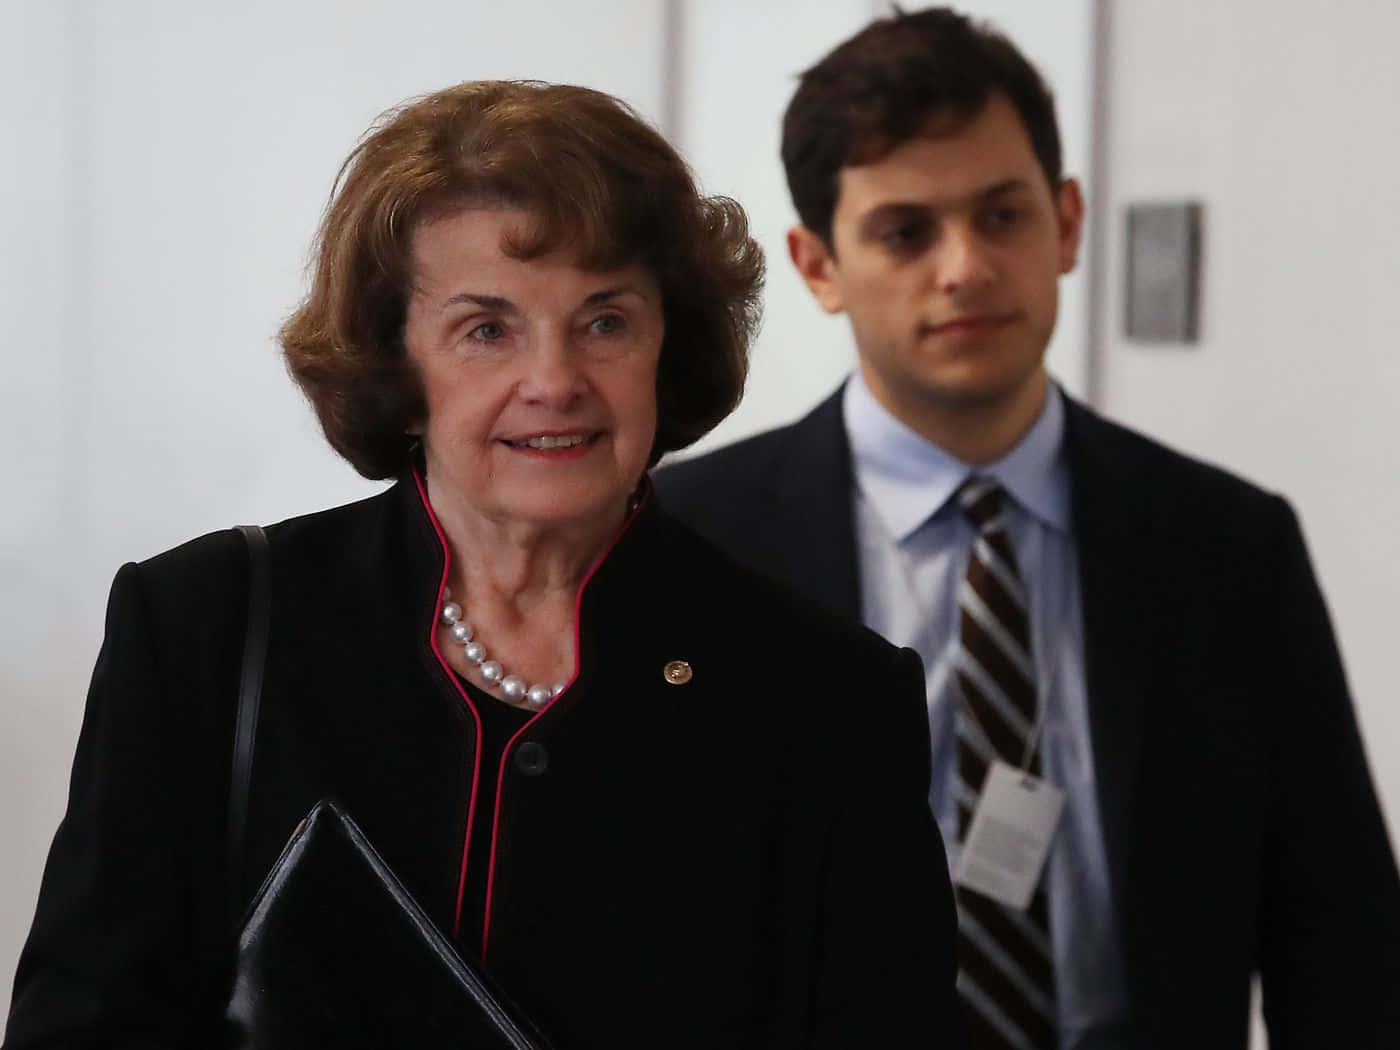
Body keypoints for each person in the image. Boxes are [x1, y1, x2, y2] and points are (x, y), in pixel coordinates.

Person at [3, 80, 960, 1049]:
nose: (553, 381)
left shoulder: (828, 697)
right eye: (486, 329)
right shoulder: (202, 627)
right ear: (397, 367)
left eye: (604, 320)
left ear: (666, 350)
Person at [655, 7, 1400, 1049]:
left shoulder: (1226, 545)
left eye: (1000, 216)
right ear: (817, 264)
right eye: (904, 232)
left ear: (1067, 222)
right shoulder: (691, 537)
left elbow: (1343, 944)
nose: (962, 266)